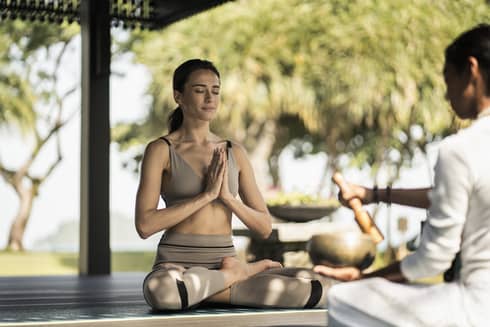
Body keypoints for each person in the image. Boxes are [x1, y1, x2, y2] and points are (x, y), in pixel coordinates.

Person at [314, 24, 490, 326]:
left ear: (471, 70)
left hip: (477, 307)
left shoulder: (461, 148)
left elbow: (432, 260)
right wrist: (372, 194)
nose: (448, 95)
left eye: (448, 79)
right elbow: (451, 196)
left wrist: (363, 278)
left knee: (343, 299)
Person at [136, 59, 333, 311]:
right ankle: (236, 276)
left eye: (215, 91)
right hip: (176, 267)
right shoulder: (160, 150)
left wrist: (228, 199)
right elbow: (144, 225)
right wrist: (206, 196)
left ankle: (211, 287)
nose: (210, 98)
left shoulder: (234, 152)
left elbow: (263, 227)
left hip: (222, 262)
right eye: (199, 90)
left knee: (319, 288)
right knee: (161, 290)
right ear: (179, 96)